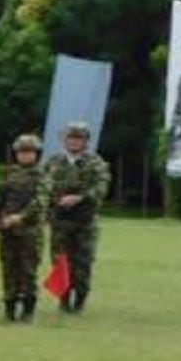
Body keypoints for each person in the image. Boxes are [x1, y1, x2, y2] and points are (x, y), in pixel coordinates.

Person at [45, 121, 110, 313]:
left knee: (82, 263)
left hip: (84, 222)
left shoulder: (96, 163)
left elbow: (101, 187)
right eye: (70, 137)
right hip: (60, 221)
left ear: (86, 141)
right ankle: (63, 301)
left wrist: (80, 198)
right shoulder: (54, 162)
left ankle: (79, 302)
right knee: (60, 262)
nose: (73, 142)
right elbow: (43, 186)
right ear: (64, 139)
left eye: (78, 138)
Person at [0, 134, 48, 321]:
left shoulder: (42, 175)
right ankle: (9, 307)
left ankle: (28, 310)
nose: (24, 156)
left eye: (29, 152)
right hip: (7, 231)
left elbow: (40, 201)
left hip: (30, 232)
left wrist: (20, 217)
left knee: (28, 271)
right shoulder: (9, 174)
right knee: (8, 270)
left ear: (36, 154)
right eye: (21, 152)